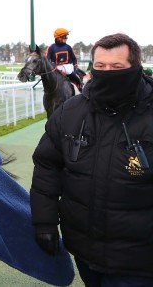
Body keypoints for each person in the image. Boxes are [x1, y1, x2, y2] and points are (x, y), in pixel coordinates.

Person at [30, 33, 153, 286]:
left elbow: (71, 63)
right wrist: (45, 222)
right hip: (84, 251)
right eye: (100, 66)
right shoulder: (68, 111)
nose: (107, 73)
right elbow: (47, 167)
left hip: (139, 260)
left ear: (135, 68)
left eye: (116, 67)